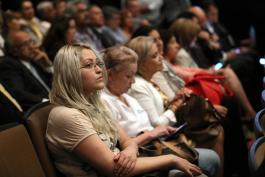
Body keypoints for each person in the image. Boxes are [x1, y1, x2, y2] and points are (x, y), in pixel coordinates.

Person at [46, 43, 202, 177]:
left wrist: (130, 149)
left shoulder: (95, 103)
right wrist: (171, 160)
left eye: (97, 64)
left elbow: (126, 140)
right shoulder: (66, 115)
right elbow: (113, 169)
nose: (99, 70)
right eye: (88, 65)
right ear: (70, 73)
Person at [102, 45, 220, 177]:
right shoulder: (105, 102)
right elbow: (121, 147)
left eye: (134, 75)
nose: (133, 81)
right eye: (128, 76)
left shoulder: (128, 97)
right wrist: (152, 134)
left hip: (158, 146)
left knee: (212, 157)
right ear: (110, 75)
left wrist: (158, 132)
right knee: (206, 164)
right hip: (142, 156)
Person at [0, 31, 52, 111]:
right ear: (14, 50)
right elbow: (18, 93)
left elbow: (53, 82)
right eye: (25, 44)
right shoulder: (9, 65)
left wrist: (48, 65)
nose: (32, 47)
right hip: (40, 109)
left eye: (31, 42)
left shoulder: (34, 59)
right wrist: (46, 102)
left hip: (54, 102)